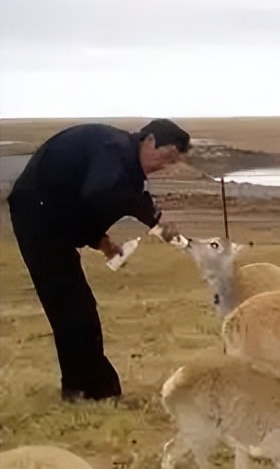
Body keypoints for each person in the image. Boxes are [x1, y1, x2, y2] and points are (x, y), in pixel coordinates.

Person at [6, 119, 190, 402]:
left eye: (170, 163)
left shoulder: (124, 165)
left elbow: (107, 199)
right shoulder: (113, 150)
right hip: (37, 214)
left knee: (76, 308)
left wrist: (160, 231)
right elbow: (100, 194)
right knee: (71, 308)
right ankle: (90, 391)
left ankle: (86, 389)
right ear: (149, 140)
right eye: (164, 157)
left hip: (54, 216)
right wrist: (147, 219)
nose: (162, 166)